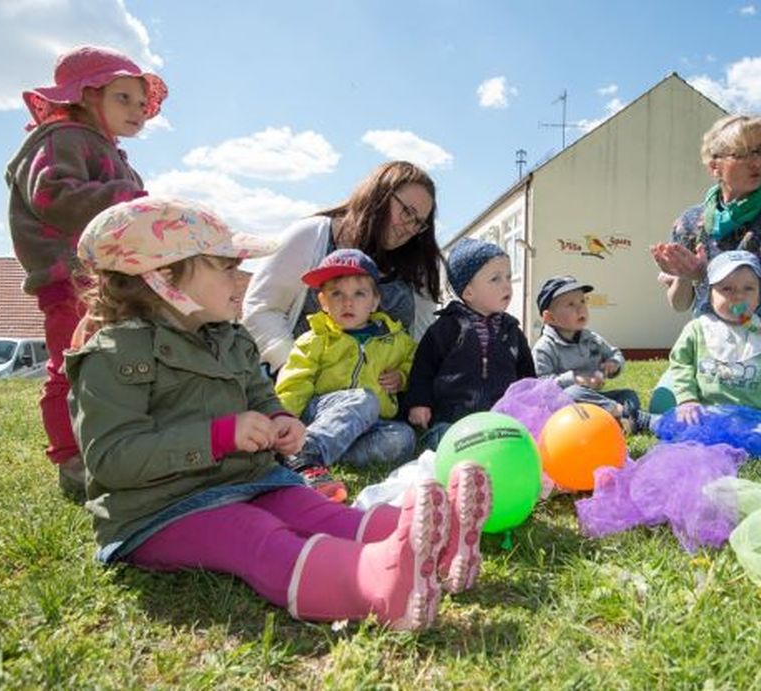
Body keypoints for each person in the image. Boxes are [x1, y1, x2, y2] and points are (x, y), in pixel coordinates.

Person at [66, 197, 492, 631]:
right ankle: (374, 584)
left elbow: (259, 395)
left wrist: (280, 419)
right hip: (163, 510)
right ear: (163, 279)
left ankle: (438, 539)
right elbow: (112, 457)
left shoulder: (230, 339)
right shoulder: (114, 356)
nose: (241, 278)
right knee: (253, 535)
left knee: (315, 511)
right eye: (225, 267)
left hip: (249, 480)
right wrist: (218, 436)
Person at [4, 45, 168, 497]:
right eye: (123, 97)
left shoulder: (105, 148)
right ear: (84, 97)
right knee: (72, 365)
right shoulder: (63, 139)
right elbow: (52, 195)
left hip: (105, 280)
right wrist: (127, 199)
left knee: (114, 365)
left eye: (140, 102)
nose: (136, 110)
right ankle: (72, 460)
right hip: (70, 278)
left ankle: (115, 447)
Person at [648, 114, 761, 414]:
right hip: (711, 336)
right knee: (665, 406)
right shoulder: (691, 221)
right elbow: (679, 304)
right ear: (714, 165)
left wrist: (705, 275)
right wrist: (684, 277)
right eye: (741, 154)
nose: (756, 162)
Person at [242, 161, 443, 374]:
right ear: (379, 195)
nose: (409, 227)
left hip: (384, 401)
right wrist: (296, 371)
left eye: (419, 222)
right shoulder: (312, 235)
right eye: (406, 212)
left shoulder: (419, 265)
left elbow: (420, 339)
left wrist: (404, 376)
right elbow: (262, 310)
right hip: (301, 393)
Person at [275, 249, 417, 487]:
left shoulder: (394, 339)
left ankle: (319, 458)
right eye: (336, 293)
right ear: (323, 302)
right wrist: (283, 423)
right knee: (365, 400)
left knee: (403, 438)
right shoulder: (315, 339)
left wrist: (402, 377)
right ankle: (303, 452)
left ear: (374, 302)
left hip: (370, 424)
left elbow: (415, 363)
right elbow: (294, 384)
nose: (347, 302)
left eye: (359, 293)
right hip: (321, 415)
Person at [406, 238, 536, 449]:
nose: (507, 285)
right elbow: (423, 368)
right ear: (468, 293)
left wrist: (532, 402)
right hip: (454, 420)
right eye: (495, 279)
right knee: (444, 438)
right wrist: (419, 402)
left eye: (509, 277)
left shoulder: (512, 331)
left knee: (517, 440)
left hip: (502, 419)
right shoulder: (446, 328)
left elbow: (526, 375)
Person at [666, 251, 761, 424]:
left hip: (756, 417)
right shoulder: (698, 329)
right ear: (710, 294)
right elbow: (681, 364)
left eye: (748, 288)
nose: (738, 296)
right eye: (727, 289)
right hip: (707, 414)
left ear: (759, 296)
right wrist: (687, 399)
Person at [531, 275, 653, 434]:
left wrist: (613, 364)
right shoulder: (544, 347)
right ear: (550, 317)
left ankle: (622, 421)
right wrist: (574, 379)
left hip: (594, 399)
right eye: (570, 304)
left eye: (582, 302)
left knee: (628, 394)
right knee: (573, 393)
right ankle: (634, 417)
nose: (580, 308)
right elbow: (541, 385)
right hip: (563, 409)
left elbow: (615, 354)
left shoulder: (591, 339)